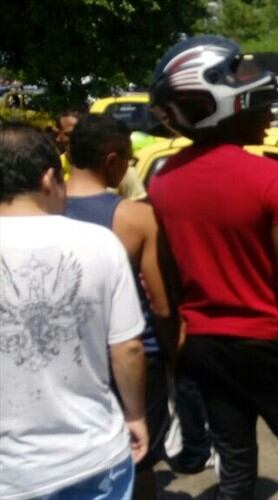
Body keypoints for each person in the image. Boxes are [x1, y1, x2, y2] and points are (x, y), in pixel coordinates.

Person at [148, 35, 278, 499]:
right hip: (267, 340)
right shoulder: (273, 177)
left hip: (204, 344)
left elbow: (168, 270)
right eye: (260, 106)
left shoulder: (164, 181)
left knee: (234, 460)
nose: (270, 115)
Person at [0, 123, 148, 500]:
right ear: (49, 178)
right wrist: (135, 415)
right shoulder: (100, 243)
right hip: (92, 457)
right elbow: (127, 349)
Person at [64, 115, 176, 500]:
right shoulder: (135, 216)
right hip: (132, 351)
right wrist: (174, 354)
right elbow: (160, 305)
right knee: (139, 457)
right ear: (111, 160)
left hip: (70, 353)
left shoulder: (43, 206)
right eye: (127, 160)